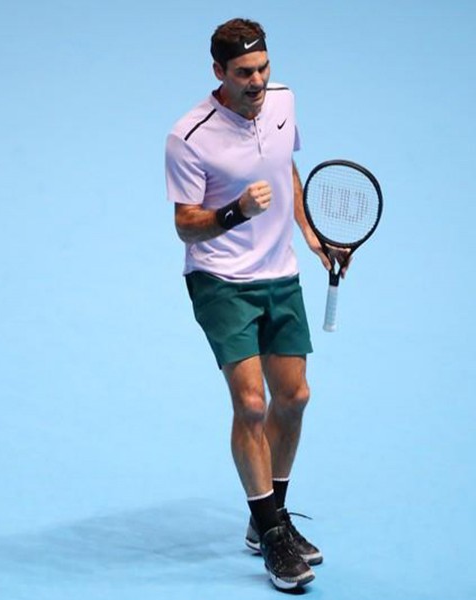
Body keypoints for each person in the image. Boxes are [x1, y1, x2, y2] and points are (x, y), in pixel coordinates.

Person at [164, 17, 349, 591]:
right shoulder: (188, 137)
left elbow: (285, 168)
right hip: (221, 281)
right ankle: (272, 532)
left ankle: (266, 515)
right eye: (244, 73)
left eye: (264, 68)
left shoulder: (284, 103)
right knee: (250, 404)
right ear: (218, 72)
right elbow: (185, 226)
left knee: (293, 396)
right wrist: (234, 212)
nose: (258, 81)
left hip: (280, 275)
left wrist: (312, 234)